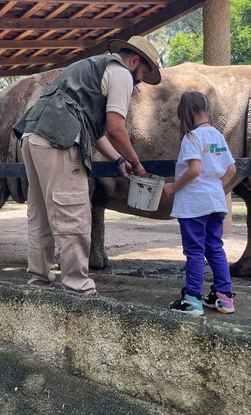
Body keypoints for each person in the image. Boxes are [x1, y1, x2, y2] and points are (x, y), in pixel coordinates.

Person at [12, 36, 161, 296]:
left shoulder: (90, 67)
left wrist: (118, 160)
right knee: (74, 213)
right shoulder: (122, 74)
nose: (140, 82)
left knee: (40, 216)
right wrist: (137, 164)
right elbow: (116, 128)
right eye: (143, 74)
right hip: (58, 139)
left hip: (32, 137)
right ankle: (77, 287)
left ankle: (39, 282)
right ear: (134, 61)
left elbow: (96, 132)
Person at [163, 91, 237, 315]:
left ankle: (192, 299)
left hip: (194, 203)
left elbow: (194, 170)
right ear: (206, 109)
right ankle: (224, 297)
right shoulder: (218, 136)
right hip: (215, 202)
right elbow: (231, 169)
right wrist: (215, 188)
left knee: (194, 250)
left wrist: (173, 187)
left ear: (186, 112)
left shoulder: (192, 137)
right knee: (214, 248)